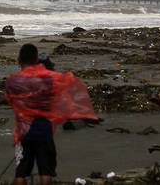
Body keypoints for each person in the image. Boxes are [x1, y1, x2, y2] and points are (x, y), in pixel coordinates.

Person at [6, 44, 97, 185]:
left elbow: (11, 101)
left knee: (21, 172)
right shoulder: (48, 78)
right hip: (44, 128)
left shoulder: (12, 81)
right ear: (36, 59)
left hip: (24, 130)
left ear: (19, 59)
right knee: (45, 171)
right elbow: (64, 89)